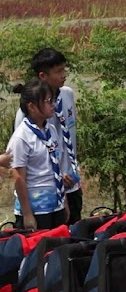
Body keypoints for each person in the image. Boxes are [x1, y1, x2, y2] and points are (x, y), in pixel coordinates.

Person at [15, 49, 82, 224]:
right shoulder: (27, 113)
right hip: (44, 193)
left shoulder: (67, 94)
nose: (64, 75)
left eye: (64, 69)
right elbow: (21, 162)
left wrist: (71, 170)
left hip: (71, 182)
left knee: (74, 233)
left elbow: (68, 137)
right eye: (58, 71)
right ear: (43, 76)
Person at [7, 79, 67, 230]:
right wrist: (27, 214)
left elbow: (57, 167)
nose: (52, 104)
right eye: (47, 101)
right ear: (32, 107)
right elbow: (19, 178)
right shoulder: (21, 137)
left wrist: (63, 202)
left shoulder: (51, 130)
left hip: (56, 203)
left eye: (52, 100)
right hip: (36, 208)